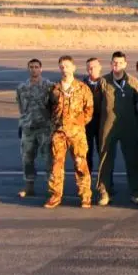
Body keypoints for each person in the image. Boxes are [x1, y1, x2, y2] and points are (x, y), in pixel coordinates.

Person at [45, 56, 94, 208]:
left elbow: (89, 109)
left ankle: (85, 196)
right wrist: (55, 124)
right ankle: (55, 195)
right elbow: (48, 108)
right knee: (56, 166)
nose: (64, 69)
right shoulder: (54, 89)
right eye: (62, 67)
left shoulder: (82, 88)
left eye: (67, 66)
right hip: (59, 133)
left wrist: (78, 124)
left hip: (76, 134)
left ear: (73, 68)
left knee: (80, 164)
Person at [96, 51, 138, 206]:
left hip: (129, 127)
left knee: (132, 160)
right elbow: (95, 106)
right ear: (111, 64)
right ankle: (104, 191)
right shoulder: (103, 82)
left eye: (120, 62)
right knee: (106, 159)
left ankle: (136, 191)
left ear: (125, 64)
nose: (117, 65)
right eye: (114, 63)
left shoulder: (133, 82)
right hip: (108, 127)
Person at [16, 58, 54, 198]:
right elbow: (21, 107)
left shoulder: (49, 86)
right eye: (31, 67)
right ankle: (29, 187)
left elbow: (54, 105)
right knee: (27, 158)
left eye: (36, 67)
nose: (34, 69)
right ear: (28, 69)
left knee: (48, 158)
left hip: (45, 128)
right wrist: (24, 122)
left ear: (41, 69)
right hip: (28, 128)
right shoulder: (22, 87)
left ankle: (52, 188)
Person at [83, 57, 103, 173]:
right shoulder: (82, 85)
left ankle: (105, 184)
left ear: (100, 68)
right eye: (89, 68)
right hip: (87, 125)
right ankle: (86, 182)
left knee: (104, 155)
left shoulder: (106, 83)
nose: (92, 70)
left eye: (94, 67)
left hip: (102, 123)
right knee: (86, 154)